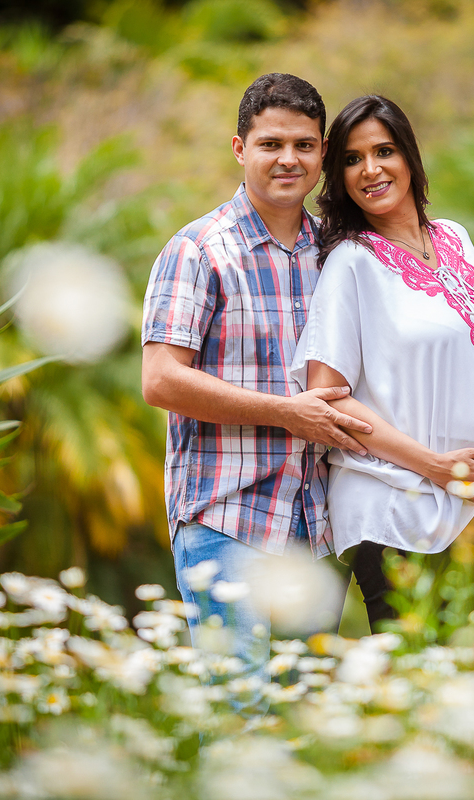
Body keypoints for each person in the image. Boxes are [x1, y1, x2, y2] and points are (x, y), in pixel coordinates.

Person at [140, 74, 373, 668]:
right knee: (238, 714)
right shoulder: (198, 250)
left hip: (317, 522)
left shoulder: (340, 254)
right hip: (227, 518)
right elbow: (161, 379)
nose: (288, 159)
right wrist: (284, 413)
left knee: (306, 719)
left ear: (323, 152)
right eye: (270, 144)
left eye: (304, 144)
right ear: (240, 149)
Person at [290, 95, 474, 629]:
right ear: (338, 177)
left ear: (410, 155)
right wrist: (436, 466)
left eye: (384, 150)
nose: (372, 169)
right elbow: (328, 400)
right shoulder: (350, 263)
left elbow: (468, 348)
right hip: (398, 506)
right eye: (353, 159)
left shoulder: (455, 237)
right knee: (431, 690)